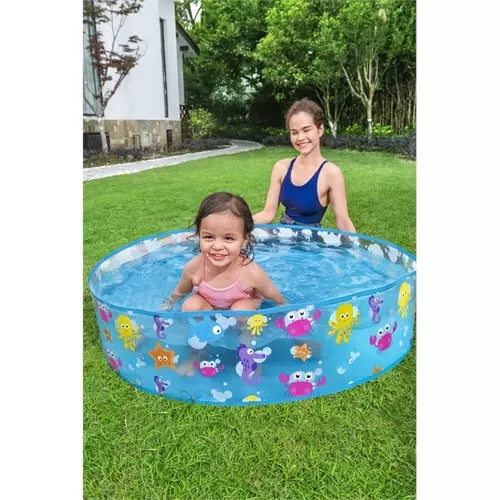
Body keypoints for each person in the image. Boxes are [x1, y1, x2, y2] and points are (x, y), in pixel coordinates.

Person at [161, 191, 286, 312]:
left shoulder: (252, 273)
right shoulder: (194, 267)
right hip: (208, 304)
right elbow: (179, 293)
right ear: (199, 236)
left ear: (244, 240)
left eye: (228, 238)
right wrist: (165, 308)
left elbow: (278, 300)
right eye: (208, 237)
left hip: (244, 303)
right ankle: (204, 325)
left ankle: (244, 327)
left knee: (240, 310)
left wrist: (286, 312)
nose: (217, 246)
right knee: (190, 306)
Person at [252, 97, 356, 231]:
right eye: (294, 132)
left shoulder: (331, 174)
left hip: (309, 241)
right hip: (282, 236)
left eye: (306, 130)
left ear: (320, 129)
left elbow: (343, 221)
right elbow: (268, 214)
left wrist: (357, 244)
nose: (300, 138)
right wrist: (239, 224)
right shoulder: (281, 168)